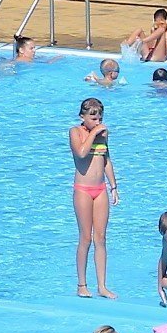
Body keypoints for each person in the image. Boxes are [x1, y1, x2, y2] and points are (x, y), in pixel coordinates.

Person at [69, 97, 119, 300]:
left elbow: (106, 159)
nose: (97, 121)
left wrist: (113, 186)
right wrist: (94, 133)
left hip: (100, 190)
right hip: (82, 189)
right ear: (82, 116)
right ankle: (81, 284)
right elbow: (81, 153)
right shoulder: (75, 132)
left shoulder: (102, 134)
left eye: (99, 118)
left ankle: (102, 285)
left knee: (101, 238)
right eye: (93, 117)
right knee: (86, 238)